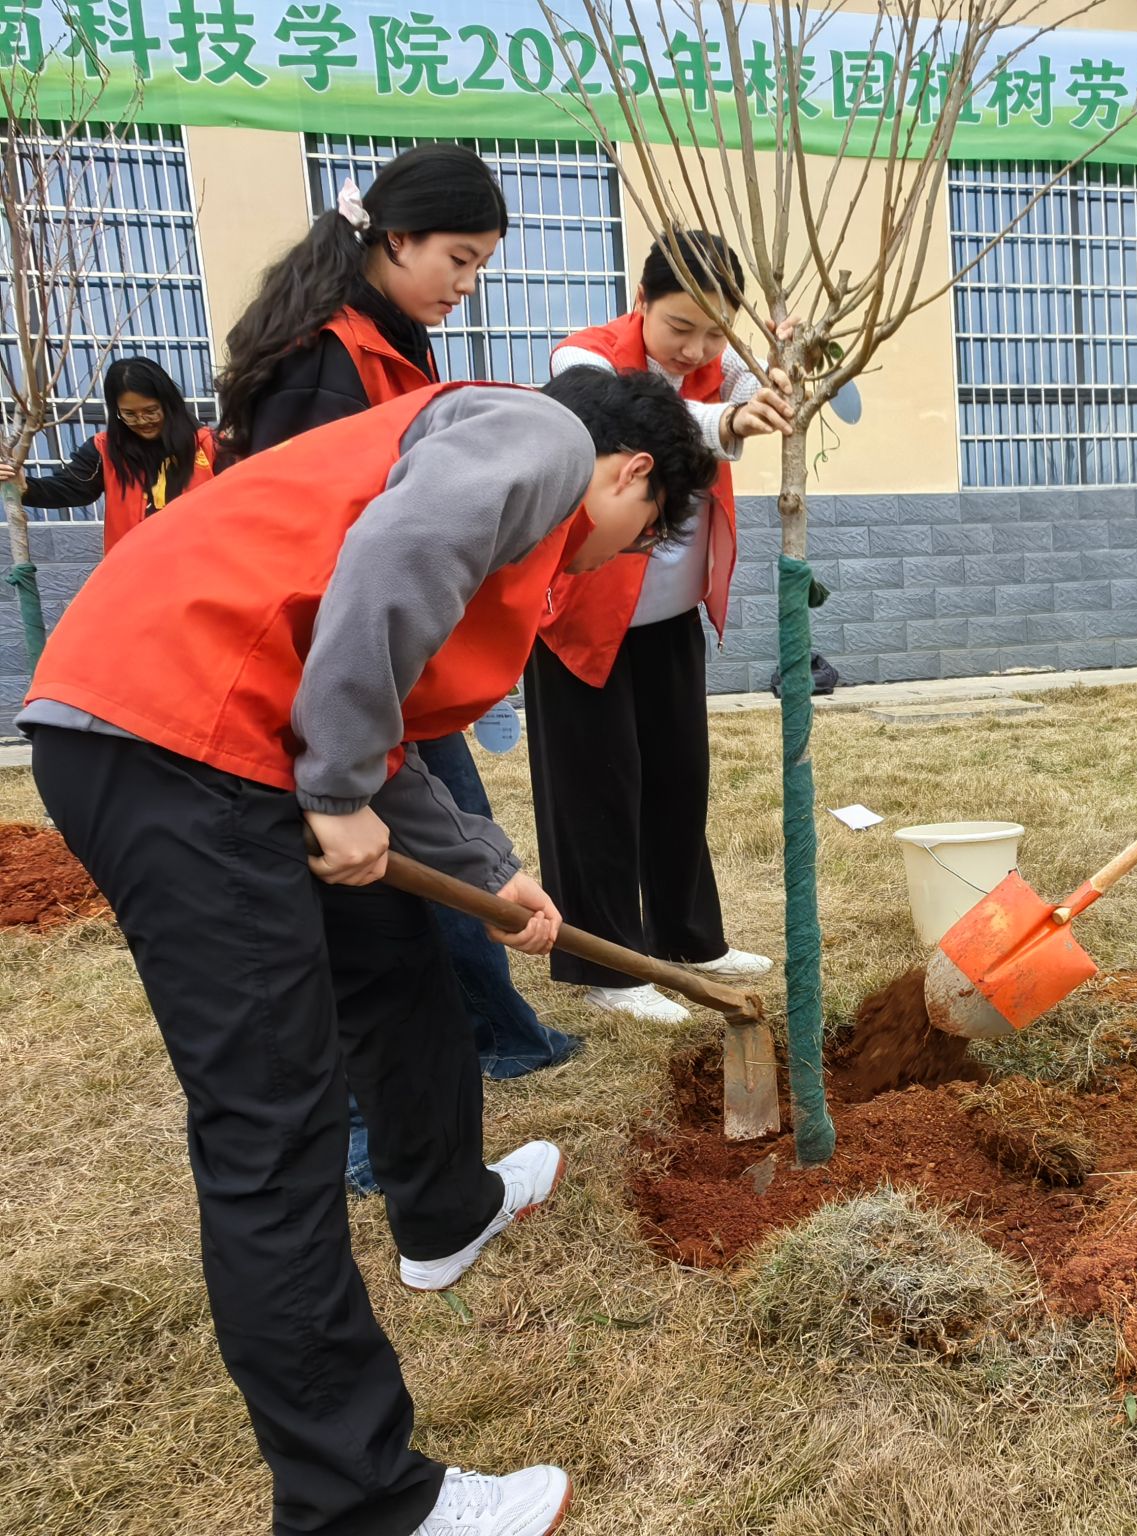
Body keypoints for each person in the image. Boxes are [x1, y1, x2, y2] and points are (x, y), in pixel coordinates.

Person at [18, 365, 716, 1536]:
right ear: (631, 473)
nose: (614, 562)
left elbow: (369, 728)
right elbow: (394, 568)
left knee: (394, 959)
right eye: (642, 536)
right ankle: (360, 1504)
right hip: (178, 735)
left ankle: (443, 1211)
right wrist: (335, 789)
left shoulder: (487, 476)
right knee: (271, 1125)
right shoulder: (542, 438)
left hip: (219, 730)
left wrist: (489, 876)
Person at [215, 142, 578, 1188]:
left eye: (481, 267)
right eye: (458, 260)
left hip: (375, 664)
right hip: (313, 668)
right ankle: (364, 1131)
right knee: (360, 903)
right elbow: (330, 554)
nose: (467, 286)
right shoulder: (320, 358)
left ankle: (496, 1031)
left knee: (449, 840)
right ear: (396, 237)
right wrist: (336, 764)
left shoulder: (396, 341)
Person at [525, 229, 793, 1023]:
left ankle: (688, 937)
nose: (696, 349)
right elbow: (651, 427)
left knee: (678, 779)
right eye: (680, 326)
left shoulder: (717, 361)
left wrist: (781, 362)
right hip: (585, 618)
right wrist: (731, 419)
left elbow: (758, 374)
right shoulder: (585, 360)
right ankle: (608, 963)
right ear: (641, 300)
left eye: (715, 331)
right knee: (597, 790)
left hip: (668, 617)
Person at [0, 356, 215, 553]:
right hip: (133, 568)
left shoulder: (209, 445)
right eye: (129, 414)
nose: (142, 421)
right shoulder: (105, 450)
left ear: (169, 405)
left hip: (202, 564)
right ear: (116, 412)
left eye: (151, 411)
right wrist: (25, 487)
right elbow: (71, 488)